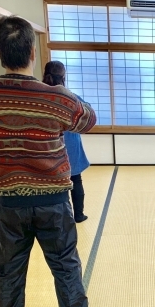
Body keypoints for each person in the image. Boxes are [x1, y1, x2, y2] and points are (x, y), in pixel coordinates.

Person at [0, 16, 97, 307]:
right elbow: (89, 119)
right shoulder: (56, 98)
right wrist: (62, 90)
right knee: (66, 267)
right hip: (54, 200)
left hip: (9, 203)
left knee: (8, 272)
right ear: (33, 53)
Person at [43, 60, 90, 223]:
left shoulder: (40, 97)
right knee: (75, 179)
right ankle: (78, 214)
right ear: (63, 77)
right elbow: (88, 113)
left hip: (48, 145)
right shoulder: (70, 97)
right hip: (70, 142)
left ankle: (57, 217)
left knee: (52, 184)